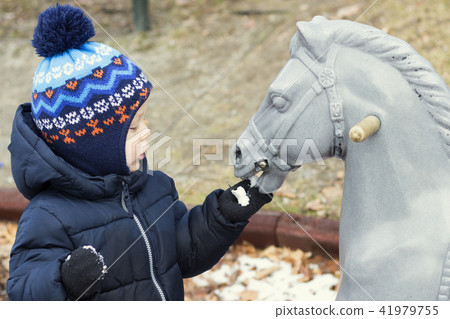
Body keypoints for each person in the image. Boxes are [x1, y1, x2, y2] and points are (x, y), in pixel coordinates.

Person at [6, 4, 271, 301]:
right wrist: (63, 279)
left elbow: (183, 254)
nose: (147, 130)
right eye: (133, 128)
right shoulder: (48, 216)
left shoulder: (155, 187)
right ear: (88, 143)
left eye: (145, 118)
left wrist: (222, 215)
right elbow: (23, 291)